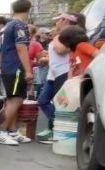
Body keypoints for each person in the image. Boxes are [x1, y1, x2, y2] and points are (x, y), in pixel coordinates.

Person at [36, 12, 84, 142]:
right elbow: (56, 55)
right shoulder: (61, 36)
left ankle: (58, 129)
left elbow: (61, 50)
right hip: (53, 75)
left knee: (60, 104)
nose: (56, 23)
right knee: (43, 100)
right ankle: (56, 126)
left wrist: (56, 37)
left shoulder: (68, 36)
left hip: (64, 73)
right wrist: (46, 59)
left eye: (58, 20)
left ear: (64, 21)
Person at [0, 0, 33, 146]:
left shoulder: (7, 26)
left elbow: (0, 49)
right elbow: (21, 48)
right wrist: (28, 70)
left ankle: (12, 130)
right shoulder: (20, 25)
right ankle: (1, 131)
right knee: (15, 99)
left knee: (15, 98)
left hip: (8, 65)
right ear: (29, 9)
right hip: (16, 66)